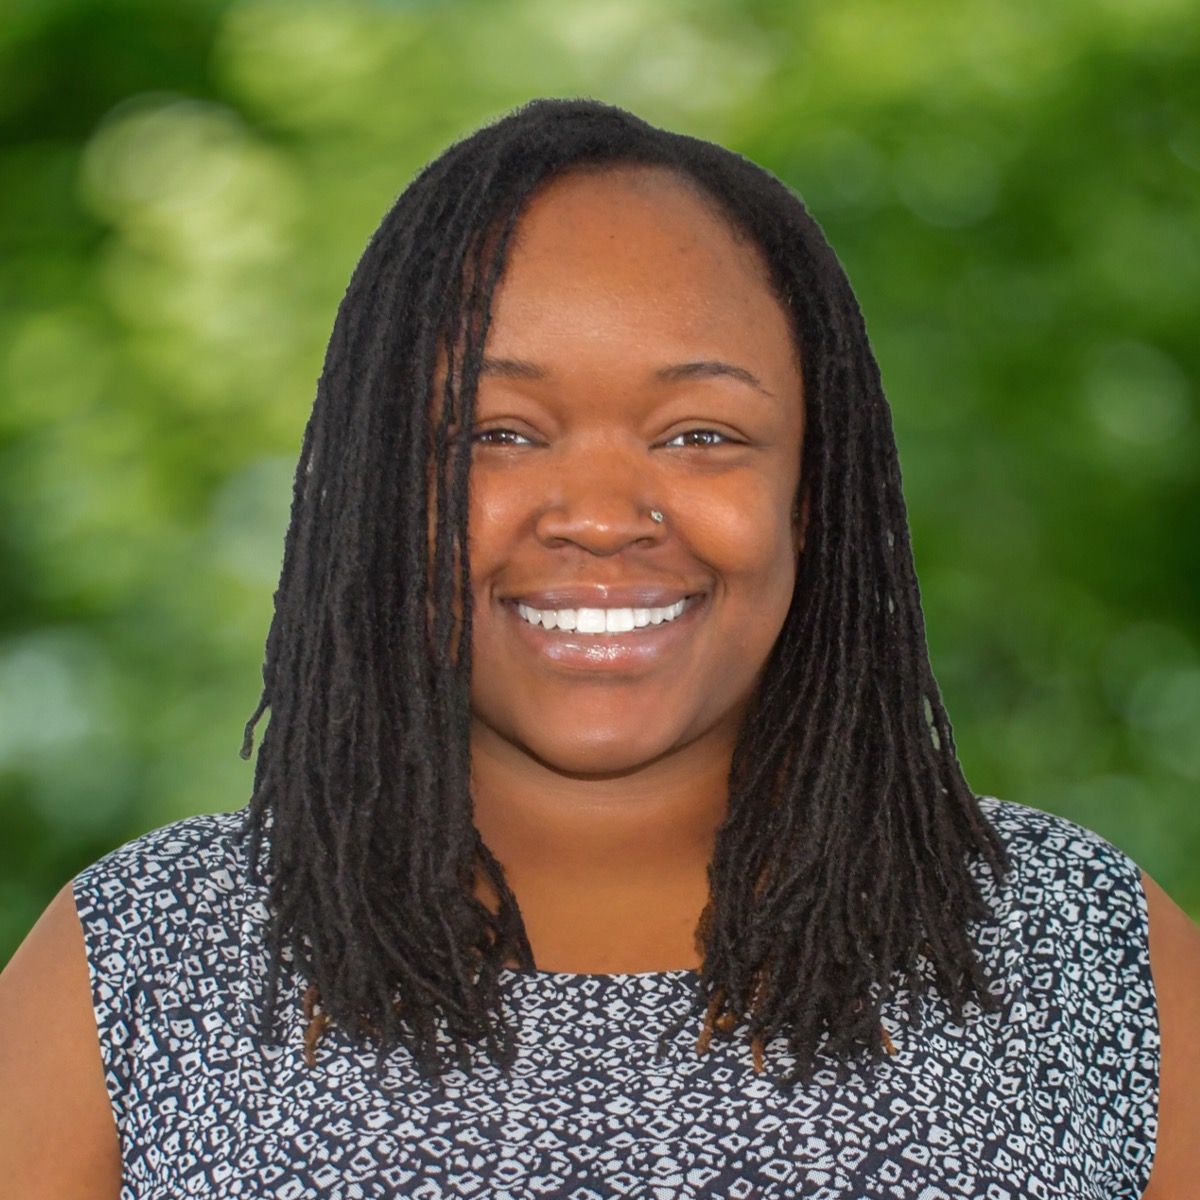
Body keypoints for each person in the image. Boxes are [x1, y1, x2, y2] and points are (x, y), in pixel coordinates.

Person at [0, 96, 1195, 1199]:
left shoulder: (1081, 946)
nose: (604, 515)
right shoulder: (144, 961)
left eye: (701, 434)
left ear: (814, 494)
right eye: (500, 432)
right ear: (380, 488)